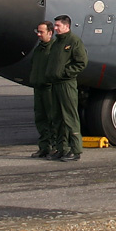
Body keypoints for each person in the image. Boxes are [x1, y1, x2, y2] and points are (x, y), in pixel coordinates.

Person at [50, 14, 88, 162]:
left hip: (67, 84)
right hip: (56, 84)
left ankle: (76, 150)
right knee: (58, 118)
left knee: (70, 117)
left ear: (67, 26)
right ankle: (62, 148)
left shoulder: (74, 41)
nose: (55, 28)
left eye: (58, 25)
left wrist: (65, 73)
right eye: (55, 25)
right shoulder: (56, 43)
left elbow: (81, 62)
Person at [28, 21, 57, 158]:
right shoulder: (39, 49)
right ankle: (44, 147)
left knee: (53, 118)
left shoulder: (54, 49)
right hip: (38, 88)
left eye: (41, 32)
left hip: (49, 89)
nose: (38, 35)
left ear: (50, 33)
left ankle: (56, 147)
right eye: (37, 32)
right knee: (40, 118)